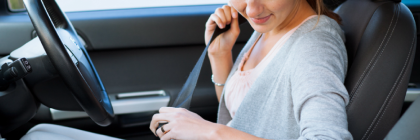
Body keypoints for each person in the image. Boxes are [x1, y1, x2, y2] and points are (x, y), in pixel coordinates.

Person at [150, 0, 352, 139]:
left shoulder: (314, 47)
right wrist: (219, 55)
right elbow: (245, 112)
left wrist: (210, 132)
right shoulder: (270, 26)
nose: (251, 11)